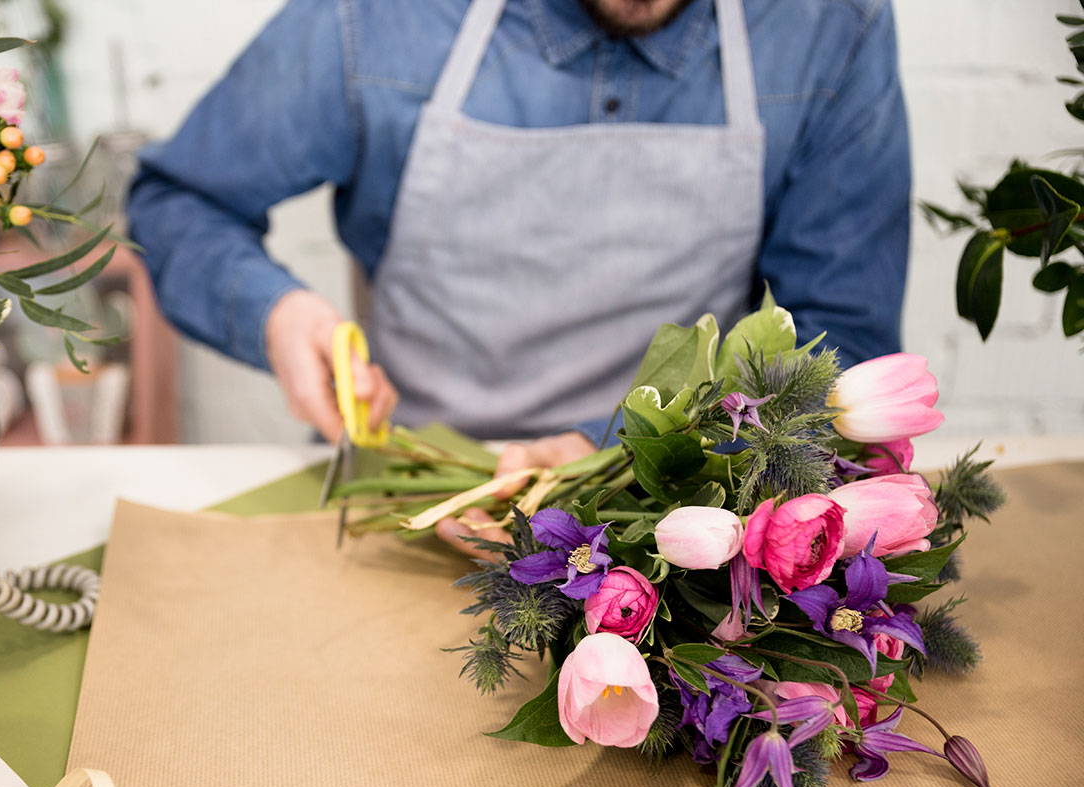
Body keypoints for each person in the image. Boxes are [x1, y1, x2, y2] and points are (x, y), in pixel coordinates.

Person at [128, 0, 910, 547]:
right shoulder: (371, 19)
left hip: (677, 519)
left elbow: (837, 348)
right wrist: (273, 312)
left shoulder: (831, 27)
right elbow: (180, 203)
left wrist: (618, 463)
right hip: (408, 497)